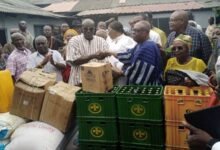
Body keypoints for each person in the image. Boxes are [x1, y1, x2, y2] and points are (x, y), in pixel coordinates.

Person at [113, 20, 162, 85]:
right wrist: (107, 53)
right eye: (133, 30)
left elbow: (138, 73)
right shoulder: (140, 44)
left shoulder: (147, 47)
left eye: (137, 31)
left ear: (146, 32)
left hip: (148, 88)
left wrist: (120, 72)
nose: (133, 33)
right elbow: (128, 56)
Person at [66, 18, 111, 86]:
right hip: (78, 81)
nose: (88, 31)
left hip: (98, 81)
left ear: (95, 29)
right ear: (81, 29)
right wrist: (93, 56)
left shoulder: (102, 41)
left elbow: (107, 61)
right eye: (85, 29)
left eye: (91, 29)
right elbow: (74, 61)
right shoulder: (74, 40)